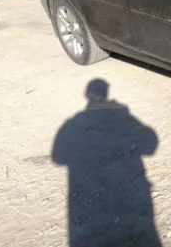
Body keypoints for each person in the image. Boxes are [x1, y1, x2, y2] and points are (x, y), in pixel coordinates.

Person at [52, 79, 161, 247]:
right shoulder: (123, 116)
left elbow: (58, 157)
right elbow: (151, 143)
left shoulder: (73, 123)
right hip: (128, 196)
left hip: (89, 200)